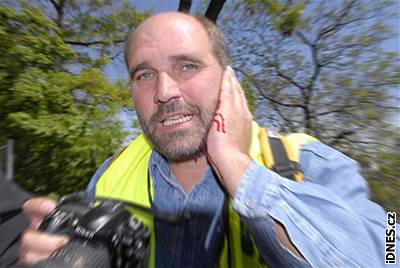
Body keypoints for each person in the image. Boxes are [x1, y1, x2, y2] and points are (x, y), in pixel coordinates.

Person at [19, 12, 398, 267]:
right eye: (144, 75)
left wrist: (241, 171)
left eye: (187, 66)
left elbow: (391, 251)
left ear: (228, 78)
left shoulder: (312, 161)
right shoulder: (109, 173)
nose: (164, 91)